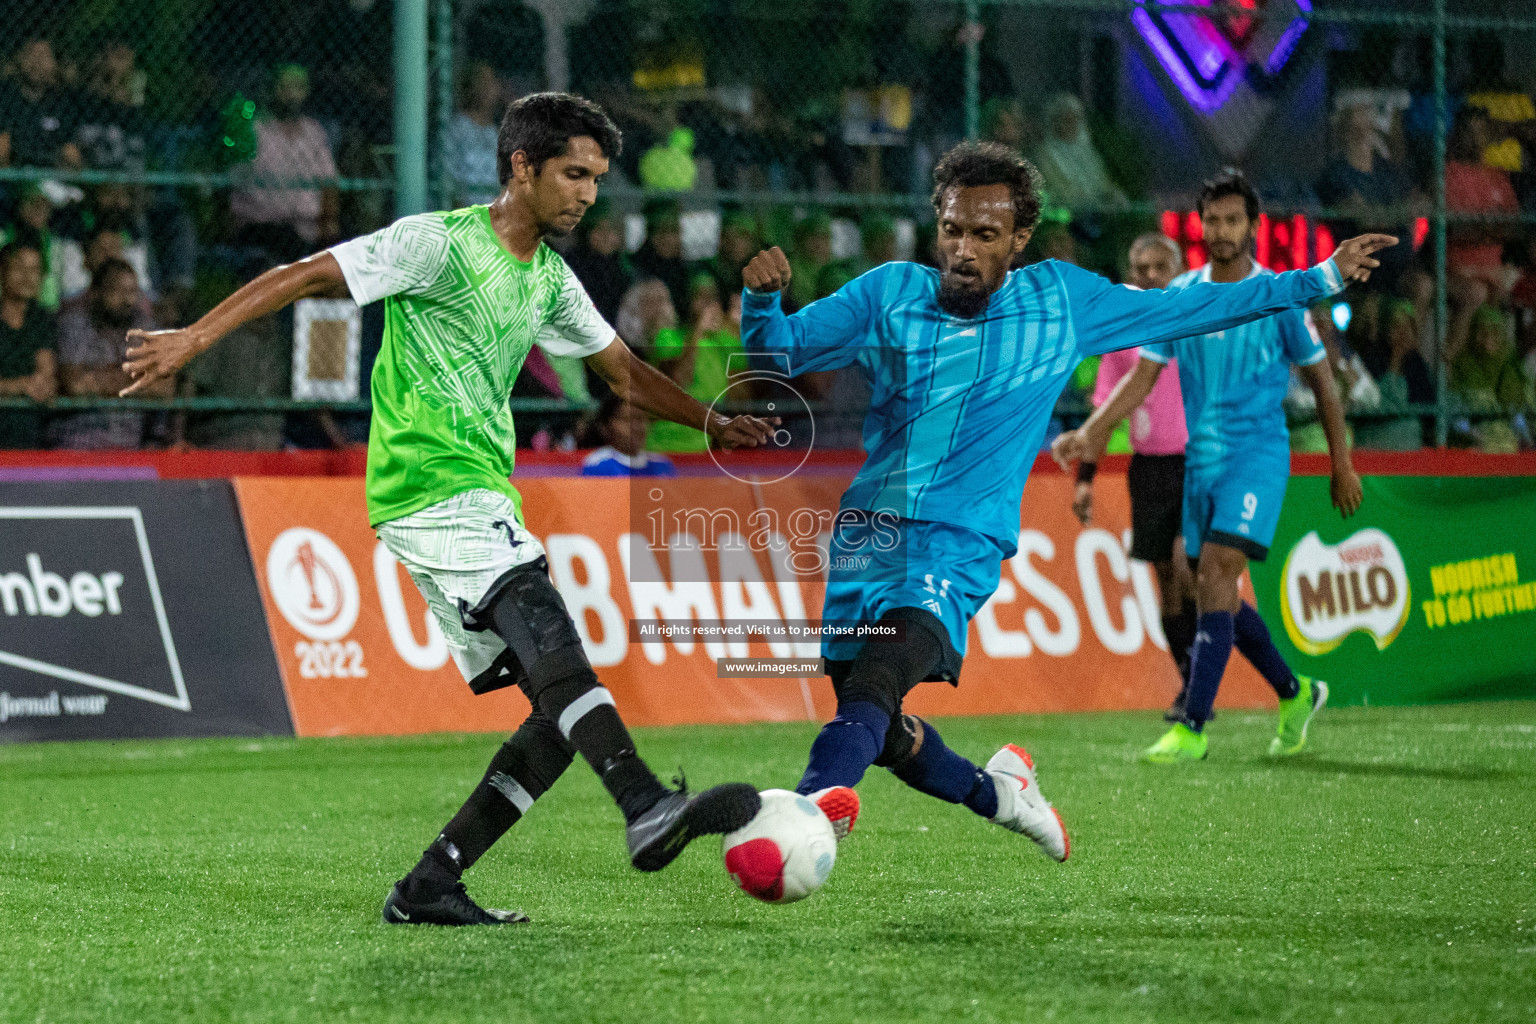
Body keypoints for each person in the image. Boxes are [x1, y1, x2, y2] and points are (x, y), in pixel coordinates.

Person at [121, 92, 773, 926]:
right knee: (552, 636)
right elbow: (305, 274)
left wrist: (713, 421)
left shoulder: (549, 279)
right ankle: (644, 800)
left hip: (473, 492)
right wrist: (191, 339)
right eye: (573, 173)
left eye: (597, 179)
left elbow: (622, 372)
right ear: (521, 168)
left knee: (553, 708)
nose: (587, 194)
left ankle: (432, 882)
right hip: (431, 484)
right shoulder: (438, 244)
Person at [740, 142, 1390, 854]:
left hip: (959, 541)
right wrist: (763, 299)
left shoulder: (1060, 301)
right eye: (952, 229)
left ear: (1018, 240)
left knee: (878, 681)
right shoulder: (888, 292)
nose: (963, 248)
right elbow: (779, 354)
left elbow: (1195, 306)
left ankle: (800, 815)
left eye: (985, 235)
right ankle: (1002, 795)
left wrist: (1318, 277)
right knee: (880, 726)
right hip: (868, 536)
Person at [1055, 170, 1367, 765]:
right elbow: (1142, 379)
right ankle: (1294, 692)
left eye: (1233, 220)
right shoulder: (1183, 298)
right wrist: (1091, 434)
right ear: (1202, 225)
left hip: (1258, 458)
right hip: (1200, 465)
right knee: (1210, 590)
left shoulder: (1278, 297)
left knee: (1219, 572)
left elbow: (1324, 383)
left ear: (1253, 226)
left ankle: (1192, 726)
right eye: (1213, 220)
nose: (1221, 230)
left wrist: (1341, 463)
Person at [1070, 232, 1198, 720]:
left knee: (1186, 567)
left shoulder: (1196, 321)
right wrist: (1085, 477)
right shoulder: (1124, 333)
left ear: (1178, 270)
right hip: (1148, 466)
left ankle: (1198, 682)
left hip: (1195, 462)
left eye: (1158, 266)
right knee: (1166, 579)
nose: (1148, 275)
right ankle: (1192, 682)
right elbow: (1105, 409)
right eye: (1139, 267)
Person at [229, 65, 340, 264]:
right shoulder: (254, 129)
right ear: (272, 89)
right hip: (263, 223)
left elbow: (328, 182)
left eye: (298, 87)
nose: (291, 95)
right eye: (285, 87)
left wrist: (329, 223)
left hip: (308, 226)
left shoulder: (314, 131)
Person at [50, 258, 164, 449]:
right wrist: (139, 379)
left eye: (132, 292)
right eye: (117, 291)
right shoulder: (75, 325)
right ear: (96, 293)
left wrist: (100, 378)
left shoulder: (145, 329)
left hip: (130, 446)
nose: (127, 300)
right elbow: (76, 385)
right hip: (79, 441)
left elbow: (163, 388)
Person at [646, 275, 743, 452]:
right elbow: (680, 380)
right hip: (666, 442)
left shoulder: (726, 341)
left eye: (712, 296)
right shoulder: (668, 338)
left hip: (705, 446)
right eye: (700, 295)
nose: (707, 302)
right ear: (687, 301)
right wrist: (698, 331)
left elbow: (749, 390)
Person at [0, 243, 57, 448]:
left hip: (29, 424)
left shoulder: (41, 319)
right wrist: (20, 386)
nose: (27, 277)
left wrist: (43, 386)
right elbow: (28, 384)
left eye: (34, 270)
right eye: (19, 268)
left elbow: (45, 373)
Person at [1030, 94, 1125, 213]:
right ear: (1053, 122)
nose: (1070, 125)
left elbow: (1104, 185)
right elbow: (1059, 194)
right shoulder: (1044, 155)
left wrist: (1114, 195)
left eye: (1074, 120)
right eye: (1065, 120)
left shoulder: (1088, 153)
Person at [0, 39, 81, 169]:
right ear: (19, 58)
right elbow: (2, 149)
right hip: (16, 174)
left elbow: (71, 153)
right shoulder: (6, 97)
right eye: (31, 54)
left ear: (54, 63)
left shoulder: (61, 102)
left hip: (51, 174)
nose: (37, 62)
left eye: (43, 56)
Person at [561, 196, 632, 326]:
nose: (606, 236)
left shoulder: (625, 266)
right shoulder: (572, 265)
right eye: (599, 229)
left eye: (611, 229)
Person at [444, 62, 505, 207]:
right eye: (482, 82)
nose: (489, 88)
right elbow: (448, 177)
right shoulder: (457, 128)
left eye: (491, 82)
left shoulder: (497, 133)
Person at [580, 394, 677, 476]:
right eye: (627, 420)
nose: (635, 427)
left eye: (640, 419)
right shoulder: (597, 465)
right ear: (606, 427)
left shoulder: (662, 465)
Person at [631, 198, 690, 314]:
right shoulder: (636, 267)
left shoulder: (684, 268)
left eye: (672, 231)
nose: (667, 238)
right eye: (661, 231)